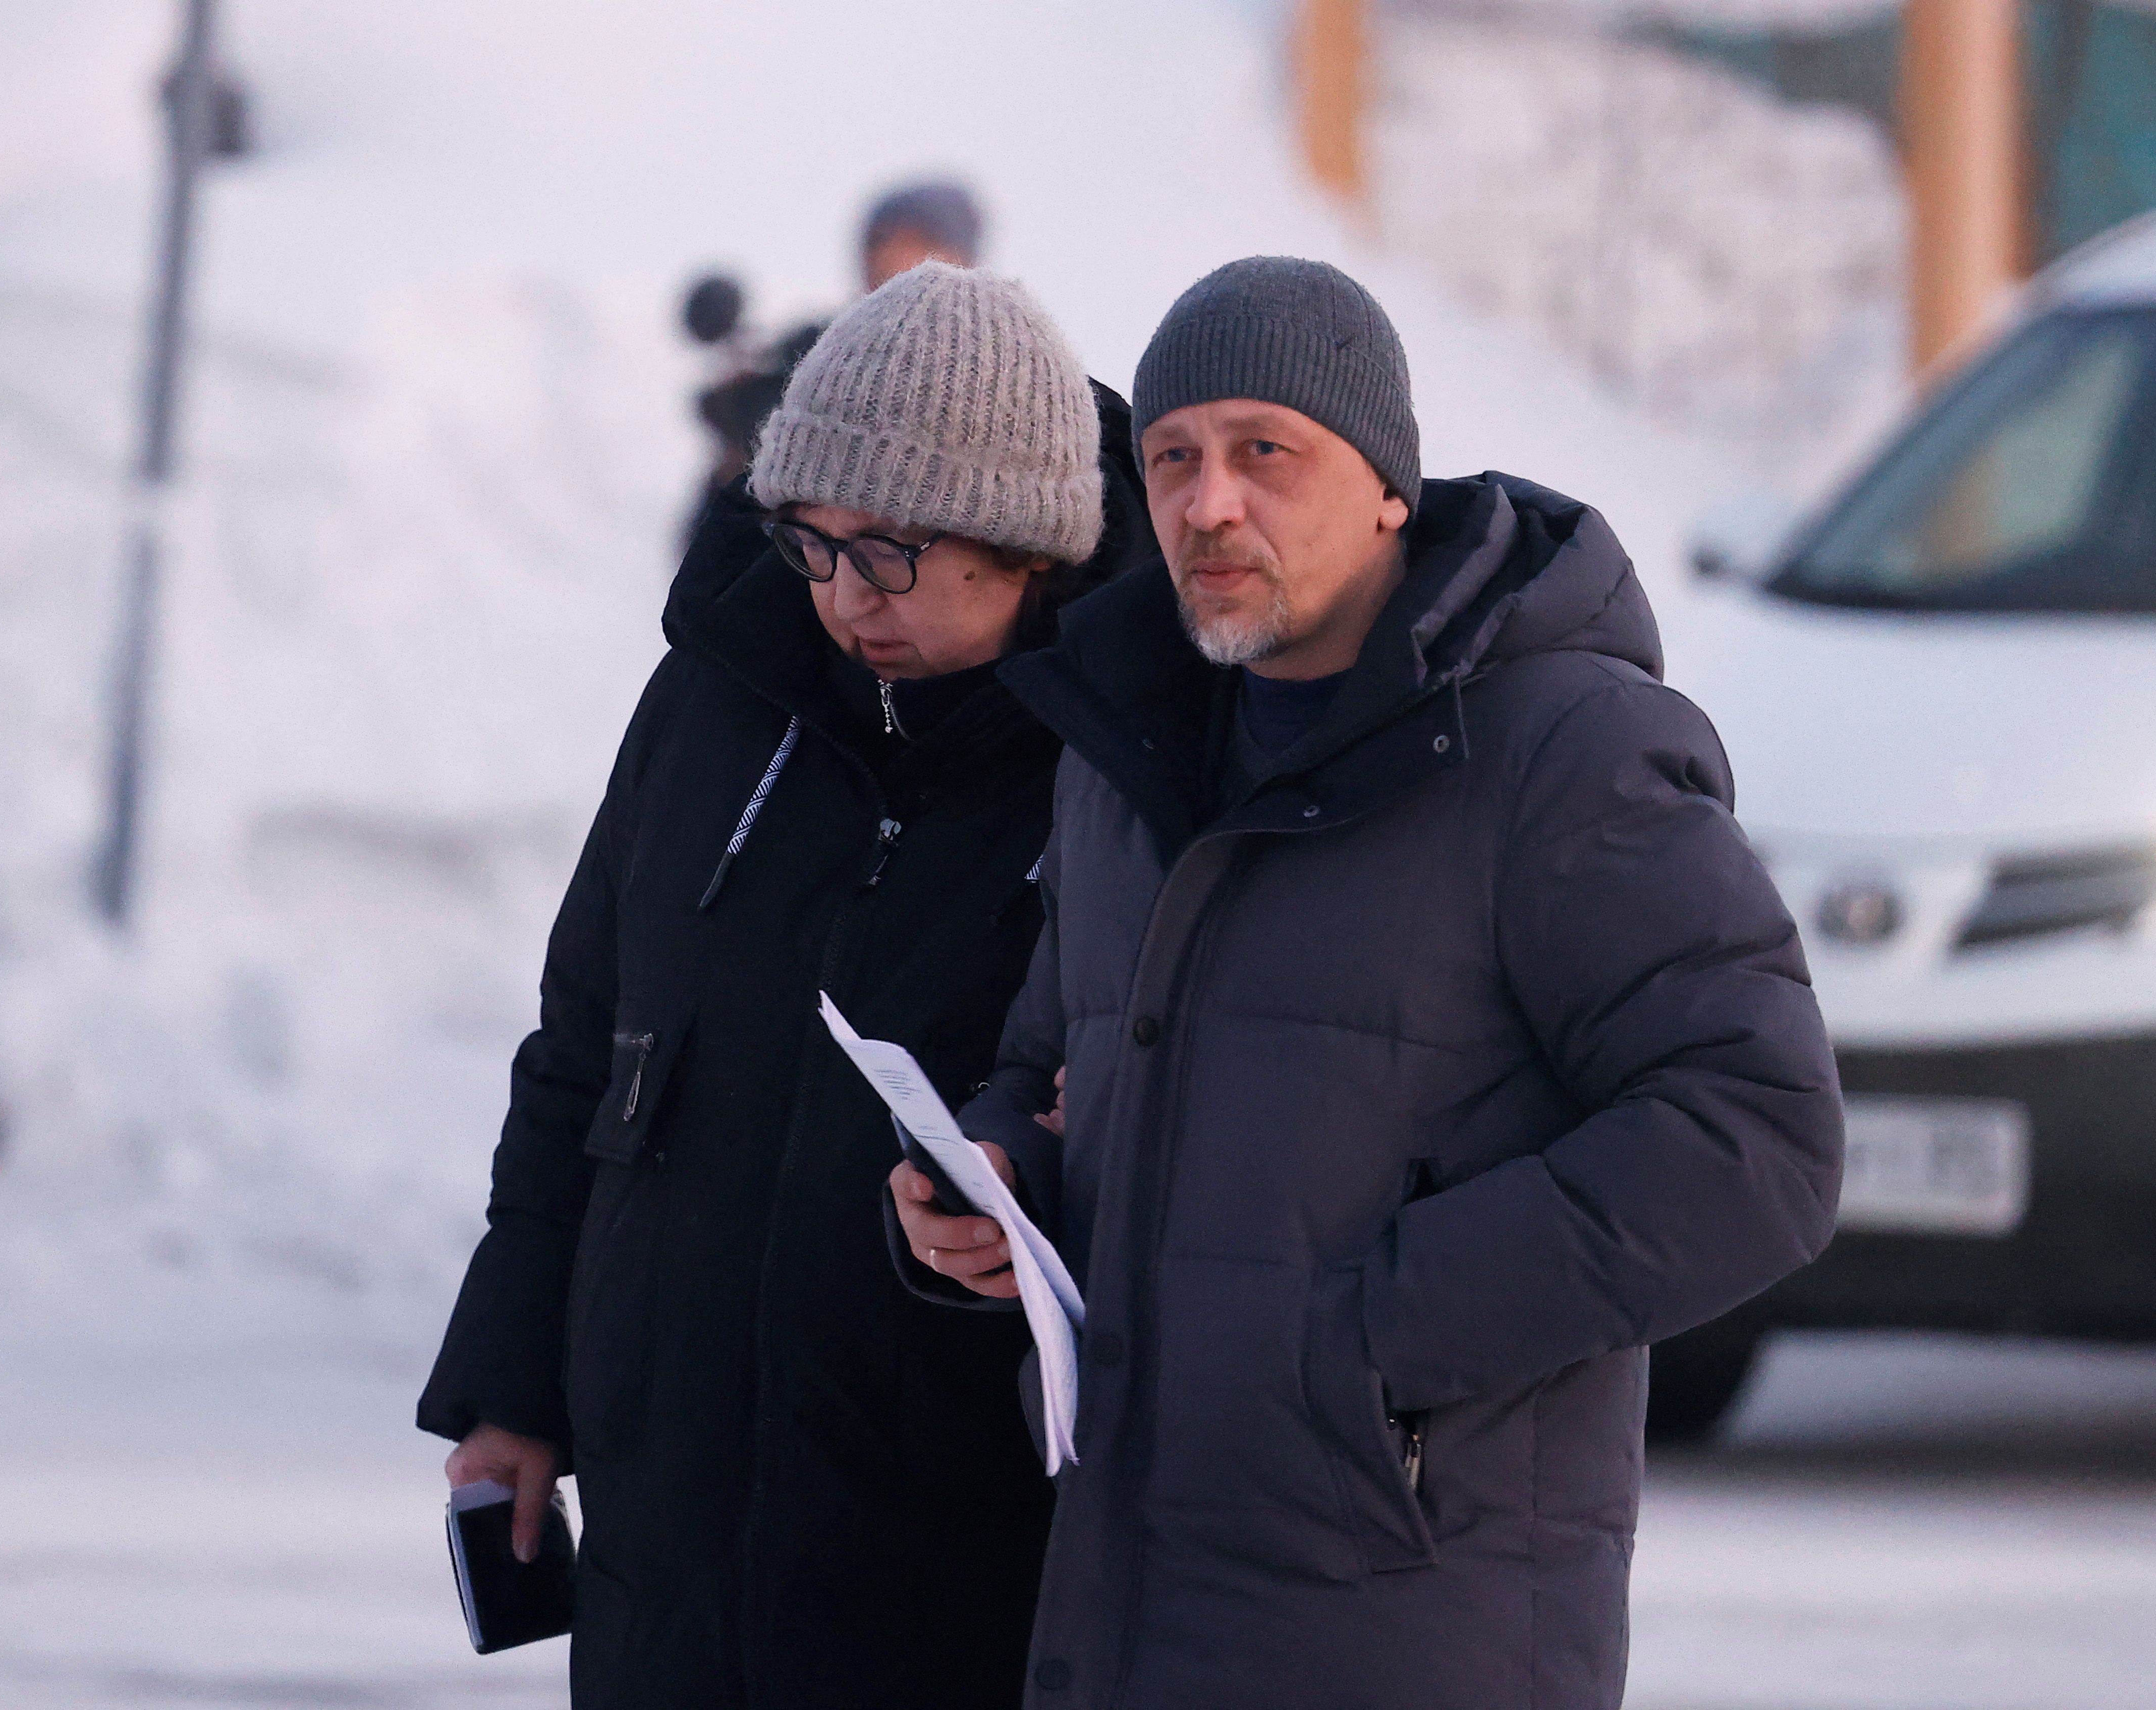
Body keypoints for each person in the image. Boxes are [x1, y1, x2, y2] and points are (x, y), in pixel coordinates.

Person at [891, 257, 1846, 1707]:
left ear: (1387, 482)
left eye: (1263, 451)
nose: (1209, 502)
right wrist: (994, 1171)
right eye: (1170, 459)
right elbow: (1049, 1056)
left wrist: (1357, 1335)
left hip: (1407, 1609)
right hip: (1124, 1590)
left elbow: (1758, 1138)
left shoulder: (1560, 749)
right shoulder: (1122, 752)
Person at [420, 261, 1152, 1708]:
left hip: (953, 1548)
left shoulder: (1121, 762)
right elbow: (582, 1044)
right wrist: (513, 1384)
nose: (836, 597)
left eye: (885, 554)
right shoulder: (719, 690)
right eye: (808, 544)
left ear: (1026, 545)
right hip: (667, 1528)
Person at [688, 180, 987, 528]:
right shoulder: (814, 344)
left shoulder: (981, 374)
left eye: (916, 241)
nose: (888, 255)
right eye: (878, 240)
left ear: (961, 257)